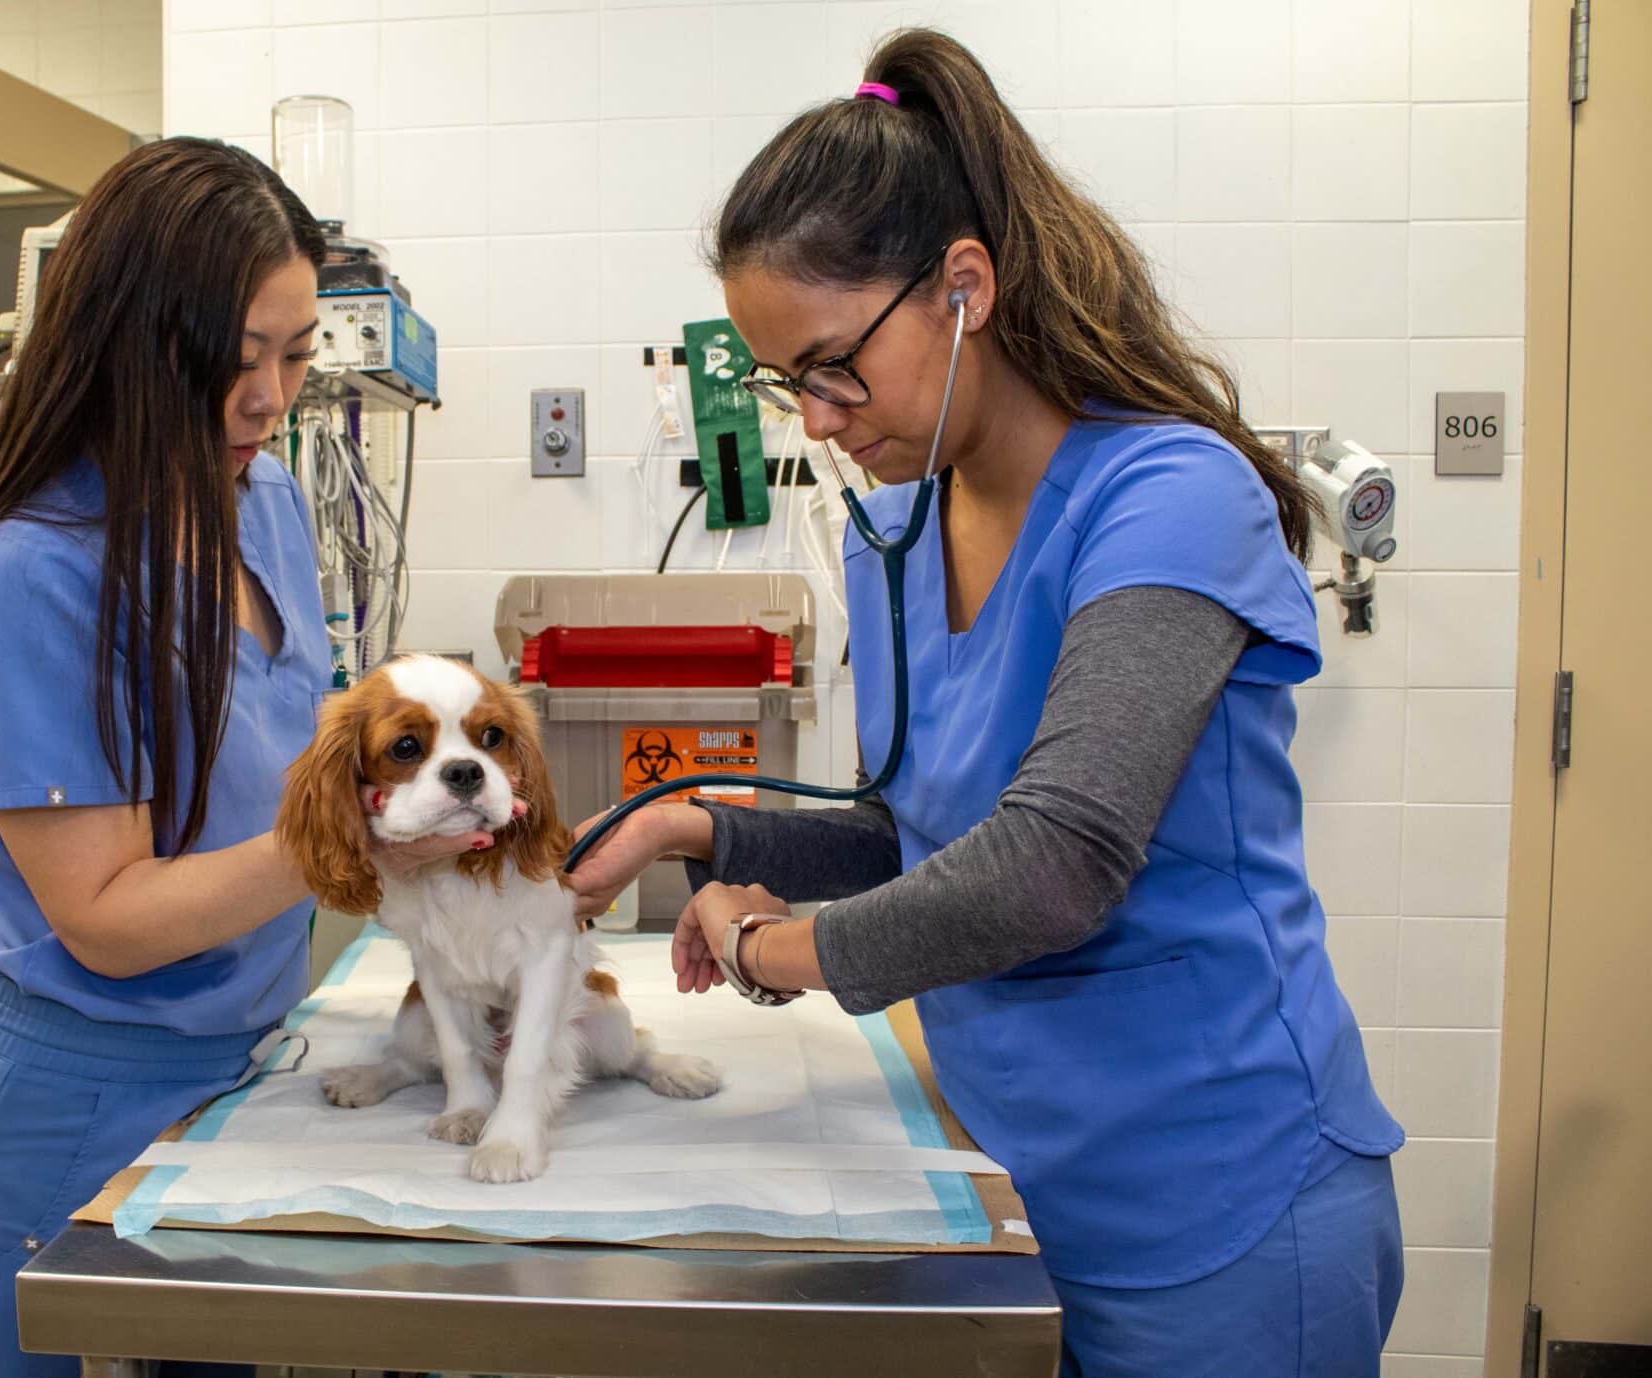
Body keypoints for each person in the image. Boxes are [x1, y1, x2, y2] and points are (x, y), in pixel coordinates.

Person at [567, 30, 1405, 1378]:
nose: (822, 419)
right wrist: (693, 833)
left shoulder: (1167, 497)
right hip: (1005, 1189)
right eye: (793, 386)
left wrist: (769, 951)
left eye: (837, 365)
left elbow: (1053, 860)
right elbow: (925, 827)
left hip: (1217, 1206)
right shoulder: (898, 530)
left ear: (962, 288)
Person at [0, 138, 486, 1376]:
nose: (271, 398)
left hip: (236, 1069)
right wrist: (359, 836)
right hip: (61, 1098)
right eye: (237, 361)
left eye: (296, 354)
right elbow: (106, 918)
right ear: (129, 343)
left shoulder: (258, 499)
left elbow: (305, 748)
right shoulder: (33, 574)